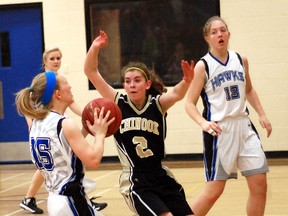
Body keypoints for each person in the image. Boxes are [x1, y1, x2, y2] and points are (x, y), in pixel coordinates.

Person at [84, 30, 194, 216]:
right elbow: (90, 71)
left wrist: (186, 81)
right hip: (136, 180)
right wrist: (95, 47)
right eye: (127, 81)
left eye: (137, 80)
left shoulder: (157, 104)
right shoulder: (118, 101)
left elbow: (177, 94)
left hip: (160, 175)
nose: (132, 85)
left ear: (148, 84)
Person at [183, 16, 272, 216]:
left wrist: (262, 114)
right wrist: (203, 123)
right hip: (220, 131)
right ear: (207, 38)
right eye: (214, 32)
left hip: (245, 127)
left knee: (260, 185)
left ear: (228, 33)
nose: (219, 34)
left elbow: (248, 90)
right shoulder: (203, 66)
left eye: (222, 30)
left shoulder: (241, 59)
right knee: (214, 190)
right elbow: (189, 103)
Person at [20, 48, 107, 214]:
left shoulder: (38, 123)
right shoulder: (64, 123)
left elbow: (65, 149)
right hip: (70, 199)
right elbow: (93, 160)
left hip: (55, 199)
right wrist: (100, 134)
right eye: (67, 84)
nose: (70, 86)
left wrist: (86, 129)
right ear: (58, 94)